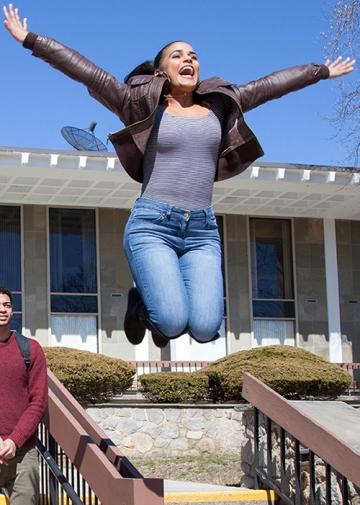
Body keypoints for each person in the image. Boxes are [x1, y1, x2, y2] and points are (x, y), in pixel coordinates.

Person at [3, 4, 355, 349]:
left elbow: (269, 86)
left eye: (193, 55)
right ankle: (141, 306)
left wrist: (319, 71)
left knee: (204, 329)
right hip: (153, 225)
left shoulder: (221, 103)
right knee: (171, 321)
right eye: (177, 55)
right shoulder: (138, 104)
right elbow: (89, 73)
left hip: (202, 230)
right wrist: (31, 40)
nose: (188, 60)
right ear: (160, 71)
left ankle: (157, 314)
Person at [0, 286, 48, 504]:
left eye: (7, 305)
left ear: (12, 311)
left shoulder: (30, 349)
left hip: (22, 451)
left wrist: (13, 441)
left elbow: (38, 402)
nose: (2, 309)